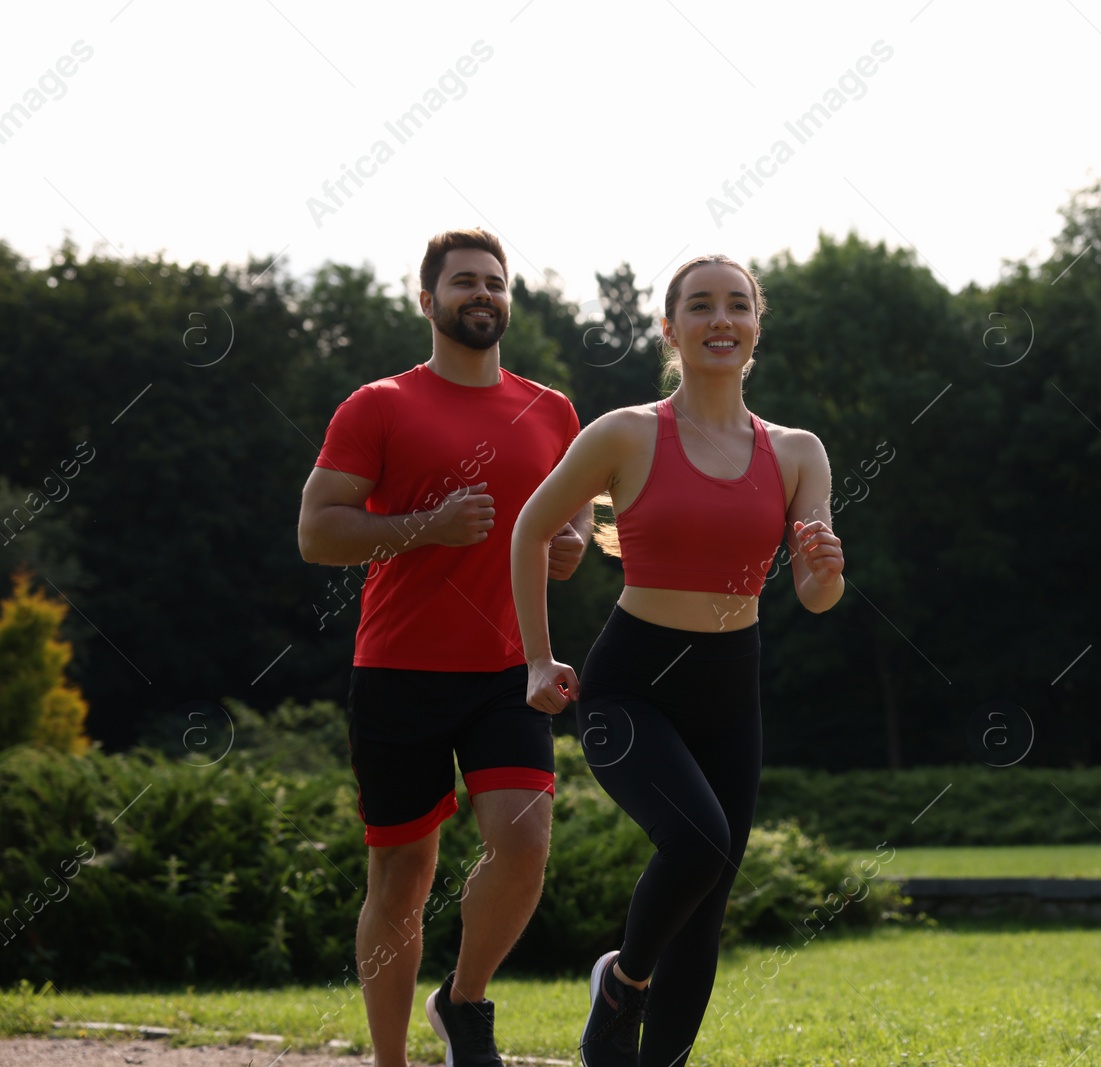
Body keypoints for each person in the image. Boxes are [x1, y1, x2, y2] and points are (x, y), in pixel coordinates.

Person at [510, 254, 845, 1066]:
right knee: (699, 840)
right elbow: (527, 529)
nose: (720, 320)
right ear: (670, 328)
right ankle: (622, 985)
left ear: (757, 328)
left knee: (710, 897)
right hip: (629, 687)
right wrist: (537, 659)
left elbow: (814, 594)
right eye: (700, 306)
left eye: (738, 305)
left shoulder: (798, 451)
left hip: (732, 691)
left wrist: (825, 566)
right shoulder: (626, 433)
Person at [298, 228, 591, 1067]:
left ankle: (463, 1003)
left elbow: (574, 509)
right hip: (399, 670)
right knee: (401, 882)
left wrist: (570, 537)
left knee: (526, 842)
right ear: (426, 301)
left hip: (510, 667)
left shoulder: (552, 409)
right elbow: (318, 533)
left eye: (495, 283)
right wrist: (425, 526)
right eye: (464, 282)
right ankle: (390, 1059)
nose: (482, 294)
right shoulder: (379, 404)